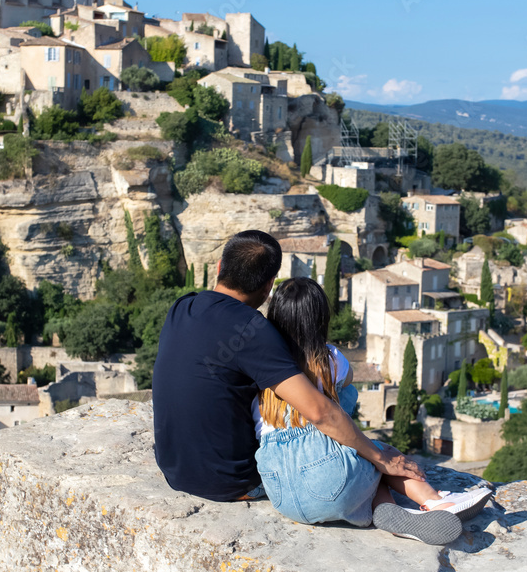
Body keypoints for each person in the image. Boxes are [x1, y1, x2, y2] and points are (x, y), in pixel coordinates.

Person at [151, 231, 478, 544]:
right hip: (232, 484)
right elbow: (320, 411)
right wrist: (382, 457)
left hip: (177, 472)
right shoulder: (253, 330)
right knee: (362, 445)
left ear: (220, 268)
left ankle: (383, 508)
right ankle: (419, 502)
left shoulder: (182, 307)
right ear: (267, 287)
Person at [253, 278, 492, 542]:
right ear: (320, 320)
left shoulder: (260, 369)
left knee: (360, 450)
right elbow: (350, 378)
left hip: (281, 492)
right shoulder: (331, 360)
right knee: (372, 446)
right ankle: (435, 501)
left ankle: (387, 511)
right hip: (328, 479)